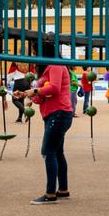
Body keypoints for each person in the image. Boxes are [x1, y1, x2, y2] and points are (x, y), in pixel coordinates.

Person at [25, 45, 74, 204]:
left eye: (34, 52)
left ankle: (50, 194)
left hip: (59, 114)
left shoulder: (55, 65)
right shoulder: (46, 69)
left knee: (48, 151)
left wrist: (36, 91)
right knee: (57, 152)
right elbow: (42, 96)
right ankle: (63, 189)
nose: (33, 56)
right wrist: (28, 94)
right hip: (53, 114)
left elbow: (55, 88)